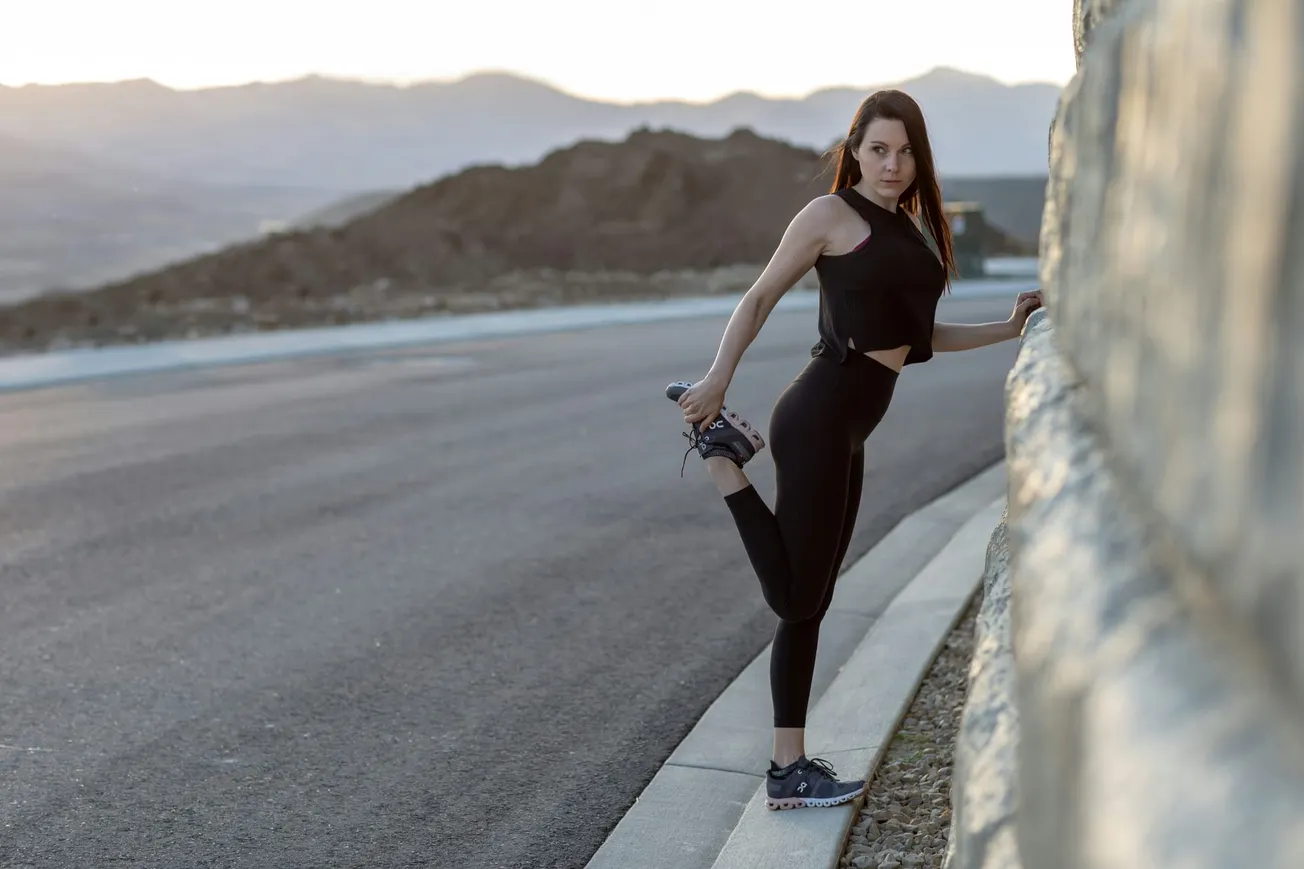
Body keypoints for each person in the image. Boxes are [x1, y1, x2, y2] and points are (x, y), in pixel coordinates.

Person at [664, 89, 1044, 811]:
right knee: (795, 595)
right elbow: (758, 297)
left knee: (812, 602)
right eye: (878, 149)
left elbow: (917, 339)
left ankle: (788, 770)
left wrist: (1006, 328)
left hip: (850, 429)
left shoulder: (912, 231)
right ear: (855, 151)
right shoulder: (829, 215)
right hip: (816, 414)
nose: (892, 164)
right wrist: (718, 377)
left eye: (905, 152)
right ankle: (722, 460)